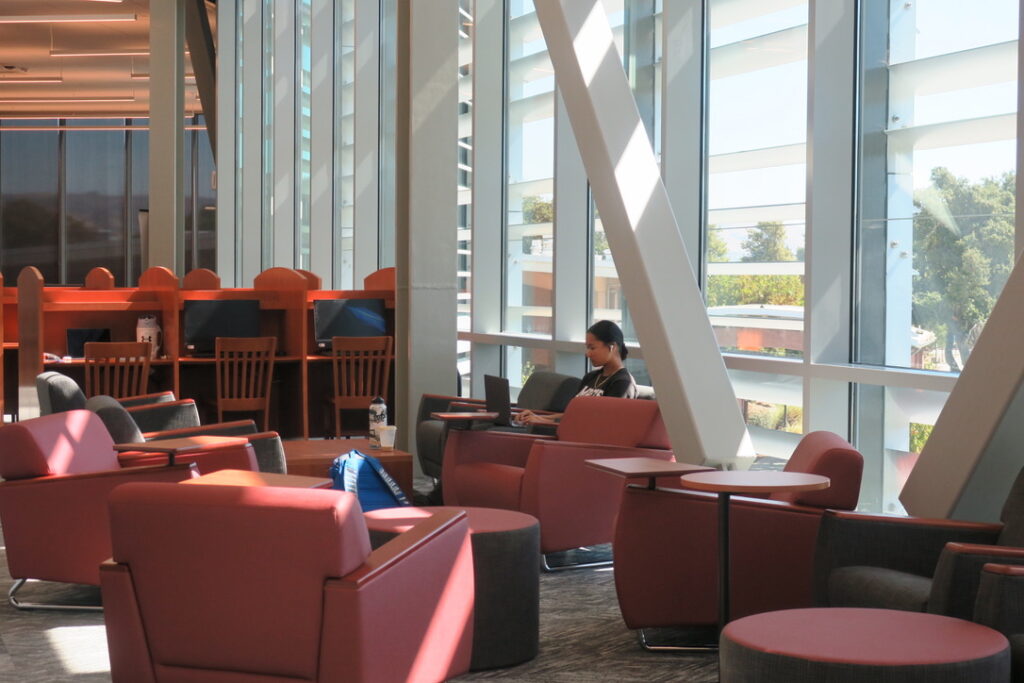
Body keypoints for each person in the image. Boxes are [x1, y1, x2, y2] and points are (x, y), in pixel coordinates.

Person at [517, 320, 637, 425]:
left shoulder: (622, 383)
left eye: (592, 348)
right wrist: (537, 417)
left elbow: (600, 423)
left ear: (612, 347)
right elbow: (570, 415)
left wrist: (545, 421)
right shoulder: (591, 377)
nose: (587, 353)